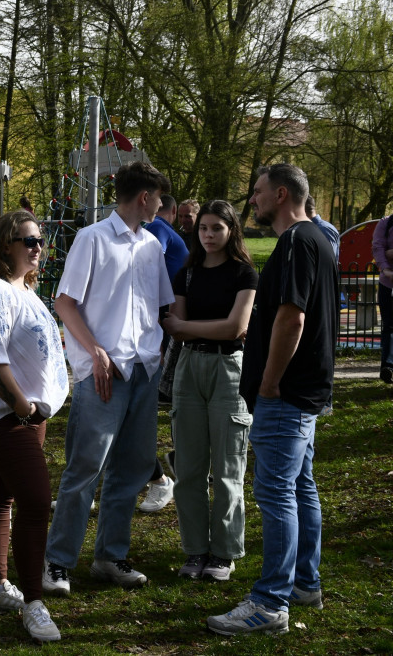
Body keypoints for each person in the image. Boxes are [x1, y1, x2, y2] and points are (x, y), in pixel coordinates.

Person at [208, 163, 337, 635]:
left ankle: (270, 602)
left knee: (277, 491)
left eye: (258, 192)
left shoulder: (297, 242)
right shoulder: (320, 238)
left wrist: (268, 381)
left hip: (286, 391)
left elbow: (292, 318)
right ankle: (305, 583)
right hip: (304, 390)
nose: (253, 200)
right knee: (300, 485)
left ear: (282, 194)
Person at [43, 160, 173, 596]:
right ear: (144, 197)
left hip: (142, 372)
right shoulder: (92, 238)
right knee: (86, 467)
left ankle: (109, 557)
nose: (160, 204)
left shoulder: (153, 246)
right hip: (103, 374)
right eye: (157, 197)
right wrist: (95, 352)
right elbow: (64, 302)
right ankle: (57, 562)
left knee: (133, 469)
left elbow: (162, 309)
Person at [0, 210, 69, 643]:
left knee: (0, 496)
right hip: (6, 414)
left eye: (40, 240)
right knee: (37, 501)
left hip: (28, 412)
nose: (37, 247)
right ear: (6, 244)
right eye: (28, 240)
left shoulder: (24, 289)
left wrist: (35, 408)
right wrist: (23, 408)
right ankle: (33, 602)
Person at [161, 200, 257, 582]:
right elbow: (174, 325)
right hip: (188, 370)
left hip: (229, 369)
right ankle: (196, 549)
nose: (209, 235)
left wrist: (190, 327)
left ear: (231, 229)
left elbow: (236, 329)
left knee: (228, 468)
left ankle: (224, 552)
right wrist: (197, 327)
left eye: (217, 228)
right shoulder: (186, 274)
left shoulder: (245, 274)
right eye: (203, 228)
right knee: (189, 467)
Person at [140, 193, 190, 512]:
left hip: (163, 321)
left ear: (163, 209)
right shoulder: (169, 232)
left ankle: (163, 477)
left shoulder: (158, 228)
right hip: (162, 319)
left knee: (150, 406)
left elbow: (148, 254)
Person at [372, 213, 393, 383]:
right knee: (389, 326)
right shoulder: (386, 223)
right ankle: (388, 367)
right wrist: (385, 268)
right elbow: (378, 247)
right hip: (389, 283)